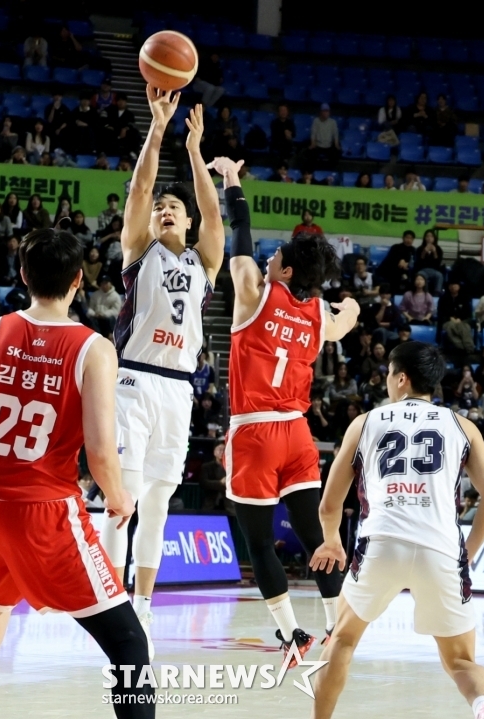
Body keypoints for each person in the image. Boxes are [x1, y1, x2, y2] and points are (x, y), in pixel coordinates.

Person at [0, 227, 153, 718]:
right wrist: (118, 495)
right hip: (44, 513)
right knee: (128, 643)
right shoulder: (93, 348)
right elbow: (100, 449)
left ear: (22, 275)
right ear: (78, 280)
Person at [210, 155, 360, 665]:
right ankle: (337, 626)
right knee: (316, 536)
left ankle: (292, 634)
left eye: (277, 256)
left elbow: (240, 229)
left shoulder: (252, 292)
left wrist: (232, 179)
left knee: (258, 543)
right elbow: (347, 318)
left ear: (287, 270)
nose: (269, 257)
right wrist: (352, 307)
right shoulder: (320, 317)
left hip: (255, 433)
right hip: (297, 434)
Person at [99, 91, 224, 661]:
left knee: (158, 502)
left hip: (178, 390)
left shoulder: (203, 261)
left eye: (175, 207)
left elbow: (214, 215)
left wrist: (195, 151)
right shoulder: (139, 252)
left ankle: (142, 604)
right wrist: (158, 128)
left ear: (188, 221)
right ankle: (106, 600)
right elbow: (140, 189)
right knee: (122, 497)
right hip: (132, 379)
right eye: (160, 209)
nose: (165, 210)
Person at [310, 341, 484, 719]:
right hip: (440, 550)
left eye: (389, 375)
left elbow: (329, 504)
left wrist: (331, 540)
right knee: (461, 662)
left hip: (381, 543)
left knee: (341, 642)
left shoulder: (366, 422)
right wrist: (468, 552)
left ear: (401, 378)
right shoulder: (463, 426)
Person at [438, 280, 475, 357]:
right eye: (451, 285)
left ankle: (469, 348)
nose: (453, 287)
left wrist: (460, 319)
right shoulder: (443, 298)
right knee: (450, 327)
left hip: (462, 321)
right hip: (447, 321)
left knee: (464, 327)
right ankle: (461, 348)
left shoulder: (465, 298)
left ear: (459, 286)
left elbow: (468, 313)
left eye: (455, 285)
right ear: (448, 287)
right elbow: (441, 313)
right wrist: (449, 318)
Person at [377, 229, 416, 295]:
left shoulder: (413, 250)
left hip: (403, 271)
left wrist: (407, 264)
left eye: (411, 238)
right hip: (390, 269)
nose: (409, 240)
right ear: (403, 238)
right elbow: (391, 259)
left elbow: (413, 261)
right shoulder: (395, 247)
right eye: (407, 237)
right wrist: (400, 260)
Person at [200, 441, 234, 514]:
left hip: (229, 505)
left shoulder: (232, 467)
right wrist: (220, 483)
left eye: (224, 450)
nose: (222, 452)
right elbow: (204, 483)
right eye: (219, 449)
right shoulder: (206, 467)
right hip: (210, 504)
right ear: (214, 452)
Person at [414, 229, 444, 295]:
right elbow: (418, 263)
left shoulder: (438, 249)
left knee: (439, 275)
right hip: (423, 270)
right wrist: (424, 252)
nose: (429, 238)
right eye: (427, 236)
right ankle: (425, 293)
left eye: (431, 236)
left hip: (434, 270)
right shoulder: (420, 249)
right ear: (425, 238)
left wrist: (434, 252)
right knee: (420, 275)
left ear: (434, 238)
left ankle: (437, 293)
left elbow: (438, 263)